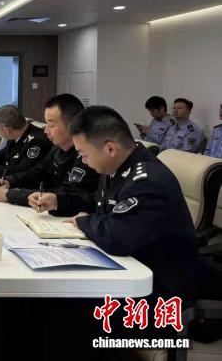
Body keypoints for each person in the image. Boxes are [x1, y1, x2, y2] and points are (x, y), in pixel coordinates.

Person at [30, 105, 201, 302]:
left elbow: (116, 236)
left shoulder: (147, 182)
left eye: (84, 154)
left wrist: (84, 221)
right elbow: (98, 202)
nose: (83, 161)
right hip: (127, 272)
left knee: (50, 299)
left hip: (156, 292)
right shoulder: (118, 166)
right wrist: (58, 201)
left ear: (110, 149)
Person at [0, 94, 99, 204]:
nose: (45, 130)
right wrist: (9, 181)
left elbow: (64, 195)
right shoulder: (57, 149)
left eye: (51, 125)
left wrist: (10, 195)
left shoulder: (87, 157)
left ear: (72, 126)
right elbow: (38, 172)